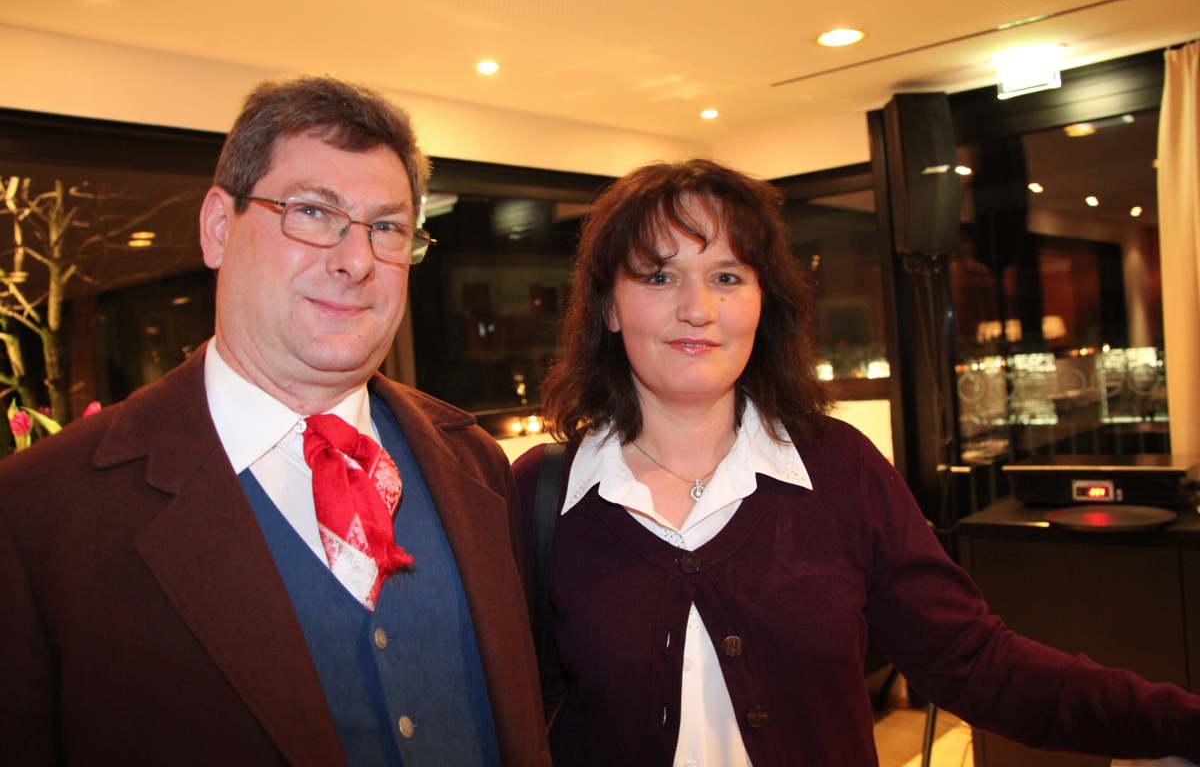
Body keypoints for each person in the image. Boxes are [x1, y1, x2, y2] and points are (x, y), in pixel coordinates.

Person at [511, 157, 1200, 767]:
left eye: (726, 276)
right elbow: (503, 713)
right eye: (660, 276)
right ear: (608, 306)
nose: (698, 308)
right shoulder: (540, 494)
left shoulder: (839, 469)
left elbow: (975, 662)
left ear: (762, 302)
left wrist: (1179, 723)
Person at [0, 75, 549, 766]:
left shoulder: (476, 464)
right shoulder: (38, 514)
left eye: (386, 228)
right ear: (218, 228)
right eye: (313, 212)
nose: (356, 261)